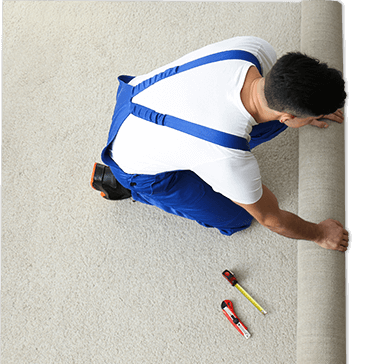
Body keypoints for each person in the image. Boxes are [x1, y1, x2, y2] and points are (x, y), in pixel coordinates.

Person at [91, 36, 348, 252]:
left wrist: (310, 104)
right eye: (307, 117)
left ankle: (188, 158)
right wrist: (319, 233)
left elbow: (282, 102)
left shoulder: (254, 50)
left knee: (268, 123)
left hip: (140, 96)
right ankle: (124, 186)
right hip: (132, 160)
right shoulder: (227, 156)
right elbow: (272, 219)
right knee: (238, 217)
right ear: (290, 116)